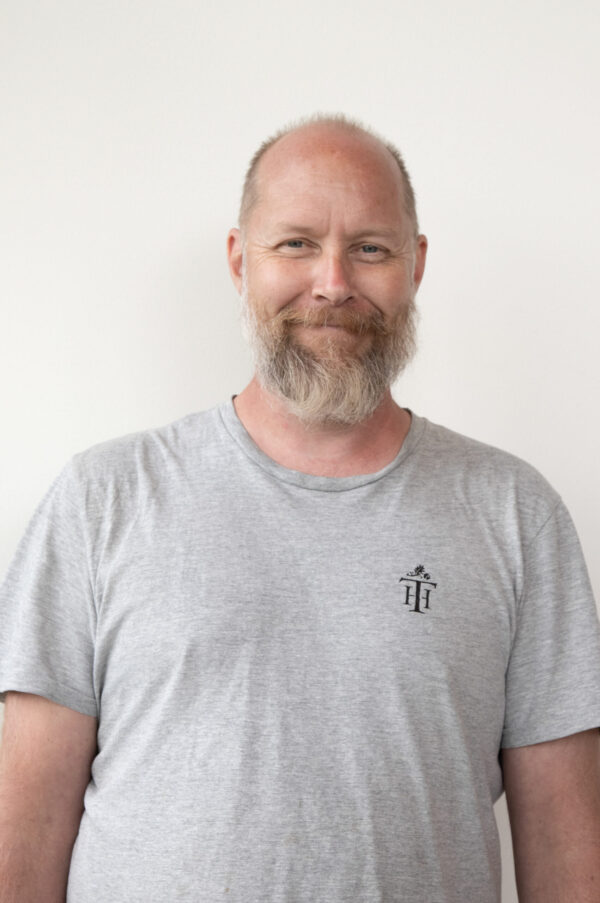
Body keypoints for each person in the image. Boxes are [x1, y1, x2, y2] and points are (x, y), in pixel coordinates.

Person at [1, 114, 599, 903]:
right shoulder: (103, 498)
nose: (333, 282)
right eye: (296, 244)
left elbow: (567, 859)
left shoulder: (515, 513)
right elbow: (26, 833)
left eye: (371, 248)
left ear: (416, 266)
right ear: (238, 260)